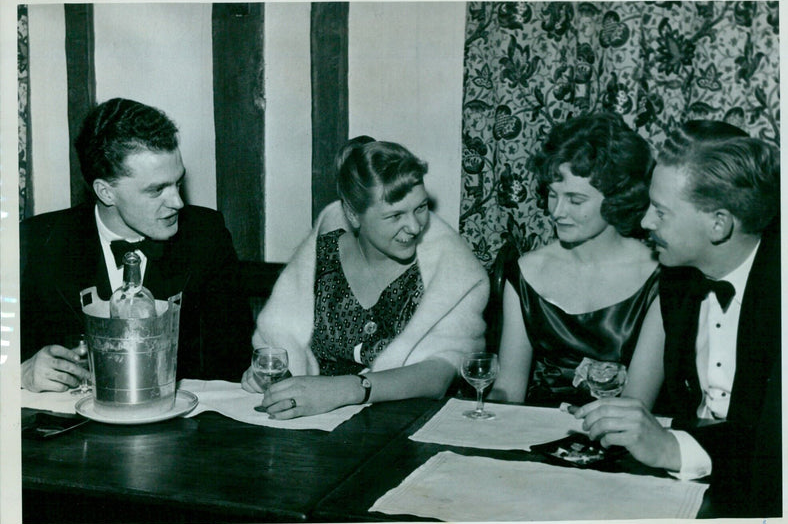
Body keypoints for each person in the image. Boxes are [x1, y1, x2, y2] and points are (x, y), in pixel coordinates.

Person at [574, 120, 782, 518]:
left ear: (718, 224)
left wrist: (672, 448)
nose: (645, 222)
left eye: (661, 212)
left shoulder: (786, 296)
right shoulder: (676, 282)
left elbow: (779, 450)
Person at [242, 137, 489, 418]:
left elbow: (440, 373)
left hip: (406, 428)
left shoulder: (450, 271)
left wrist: (347, 390)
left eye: (420, 208)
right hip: (313, 428)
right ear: (352, 213)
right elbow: (282, 340)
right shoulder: (320, 257)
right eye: (395, 215)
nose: (415, 226)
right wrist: (270, 378)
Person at [21, 98, 253, 391]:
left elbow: (235, 361)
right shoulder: (37, 241)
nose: (177, 202)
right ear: (106, 192)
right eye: (156, 190)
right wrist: (18, 372)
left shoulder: (206, 236)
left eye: (177, 183)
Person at [490, 112, 664, 408]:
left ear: (617, 197)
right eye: (552, 195)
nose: (557, 212)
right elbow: (509, 388)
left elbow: (638, 404)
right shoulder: (525, 272)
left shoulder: (659, 278)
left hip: (621, 439)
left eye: (575, 200)